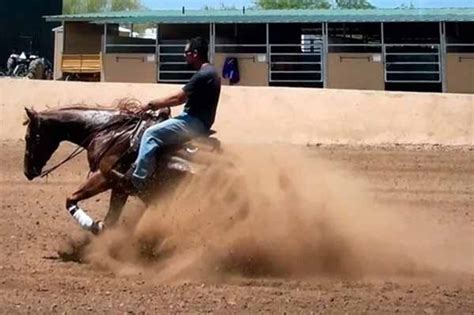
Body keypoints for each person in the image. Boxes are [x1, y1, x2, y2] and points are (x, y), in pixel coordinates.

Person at [124, 36, 221, 191]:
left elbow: (178, 98)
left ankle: (138, 179)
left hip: (192, 122)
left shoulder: (202, 75)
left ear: (195, 53)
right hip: (199, 121)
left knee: (150, 134)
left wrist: (151, 105)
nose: (184, 56)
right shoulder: (211, 72)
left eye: (186, 52)